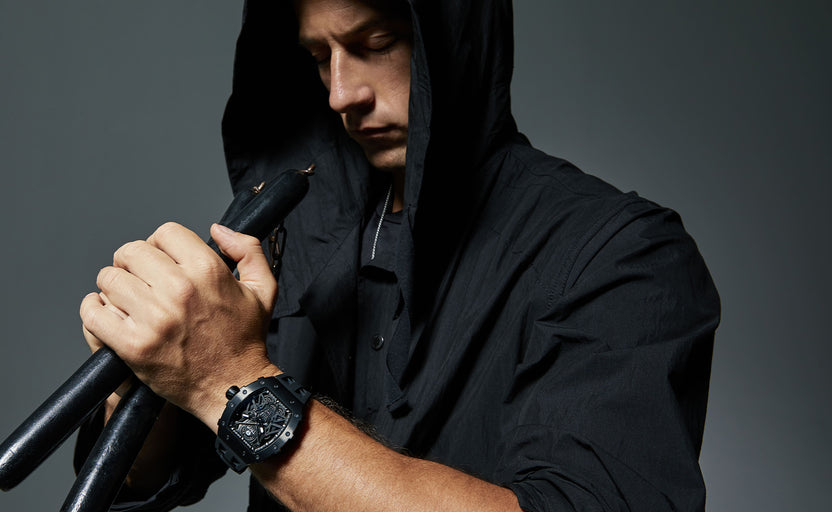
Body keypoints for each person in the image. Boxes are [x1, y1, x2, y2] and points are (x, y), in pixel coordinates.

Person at [76, 0, 720, 510]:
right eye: (318, 57)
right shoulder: (295, 233)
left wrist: (229, 381)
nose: (341, 94)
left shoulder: (620, 254)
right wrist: (153, 369)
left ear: (450, 40)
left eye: (377, 43)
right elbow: (142, 479)